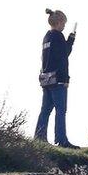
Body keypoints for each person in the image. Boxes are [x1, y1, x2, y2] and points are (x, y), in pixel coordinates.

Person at [34, 9, 78, 148]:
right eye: (64, 23)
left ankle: (39, 137)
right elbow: (64, 56)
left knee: (45, 109)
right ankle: (61, 139)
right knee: (61, 110)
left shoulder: (47, 37)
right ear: (59, 23)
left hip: (46, 79)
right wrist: (71, 40)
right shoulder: (58, 36)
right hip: (58, 79)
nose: (64, 26)